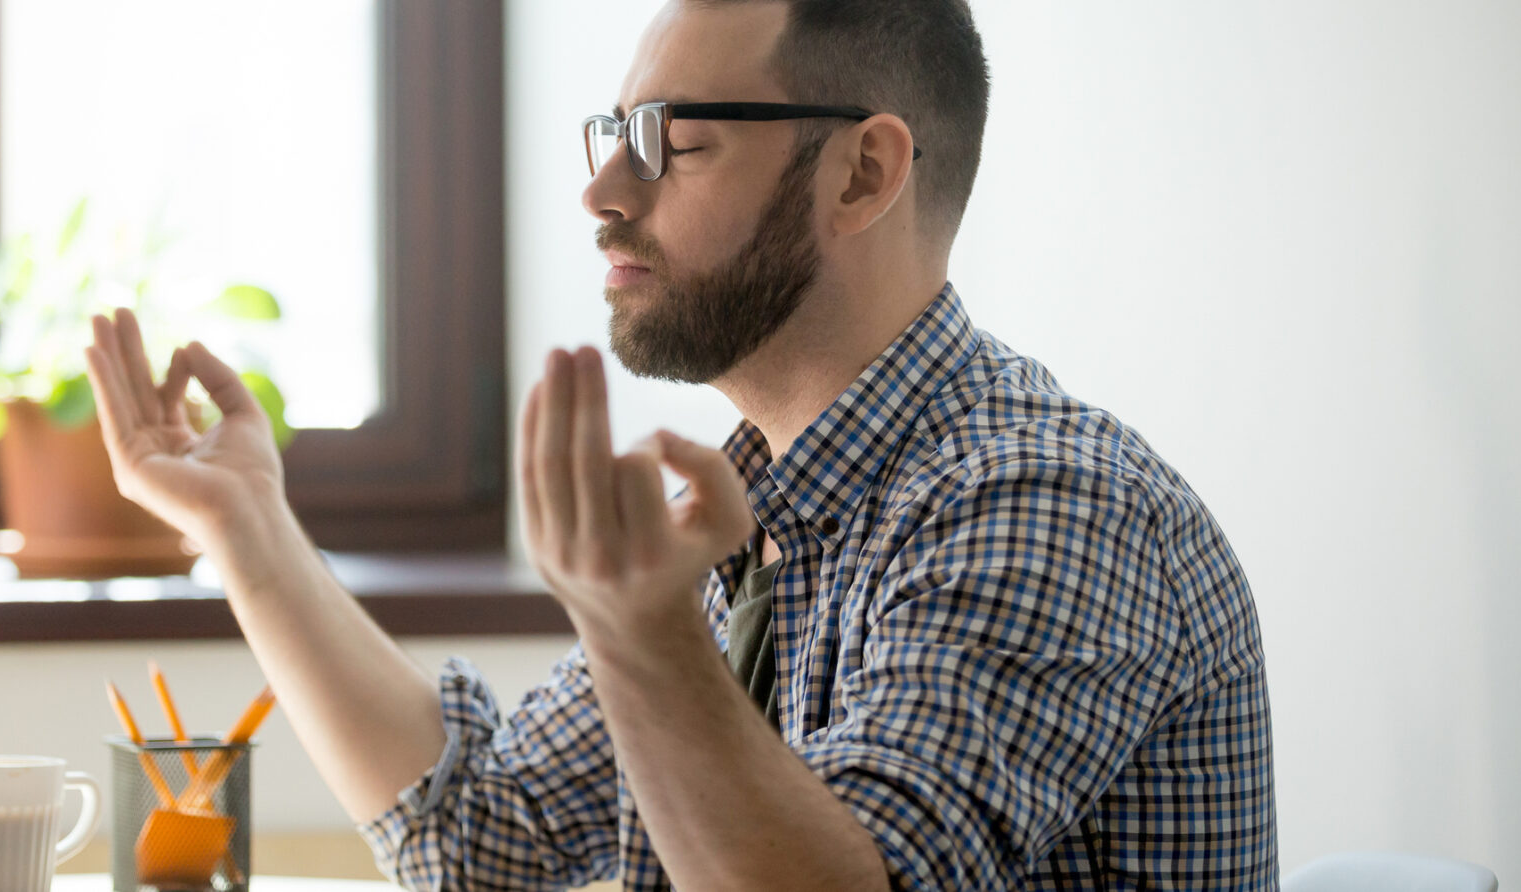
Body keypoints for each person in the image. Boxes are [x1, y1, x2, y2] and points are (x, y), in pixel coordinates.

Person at [82, 0, 1278, 888]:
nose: (603, 191)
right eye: (613, 133)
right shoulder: (758, 512)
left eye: (672, 141)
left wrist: (643, 633)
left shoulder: (1046, 502)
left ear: (862, 173)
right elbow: (478, 834)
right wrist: (247, 529)